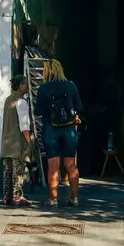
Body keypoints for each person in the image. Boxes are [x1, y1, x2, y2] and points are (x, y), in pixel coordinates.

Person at [35, 58, 84, 207]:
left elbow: (38, 111)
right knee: (71, 164)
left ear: (47, 71)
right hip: (69, 129)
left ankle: (53, 199)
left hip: (51, 130)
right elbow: (79, 107)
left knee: (53, 166)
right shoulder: (71, 86)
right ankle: (74, 198)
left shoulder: (44, 88)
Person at [1, 74, 34, 207]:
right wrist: (29, 141)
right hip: (17, 143)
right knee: (18, 171)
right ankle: (17, 197)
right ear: (20, 85)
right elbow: (24, 125)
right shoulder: (21, 102)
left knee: (7, 172)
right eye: (25, 84)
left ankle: (6, 197)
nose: (27, 86)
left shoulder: (8, 100)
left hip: (6, 143)